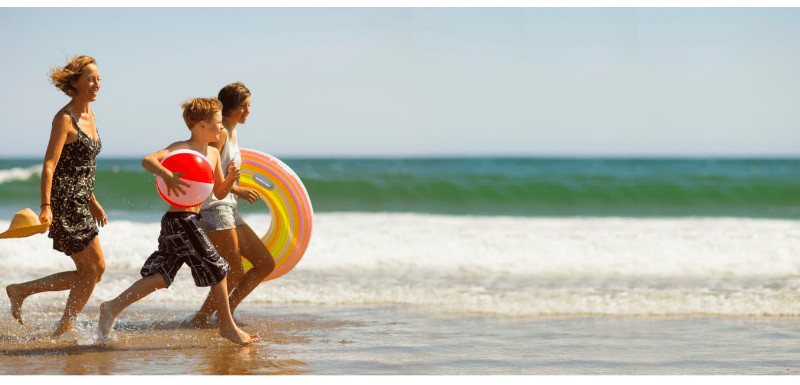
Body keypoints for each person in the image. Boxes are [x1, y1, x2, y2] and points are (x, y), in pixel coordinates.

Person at [97, 98, 258, 345]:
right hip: (180, 218)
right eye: (218, 122)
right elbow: (148, 161)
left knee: (162, 276)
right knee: (218, 267)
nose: (221, 128)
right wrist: (167, 175)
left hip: (187, 219)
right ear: (202, 125)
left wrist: (232, 180)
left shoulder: (214, 153)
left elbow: (218, 191)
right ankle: (227, 326)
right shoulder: (181, 147)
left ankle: (112, 306)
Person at [5, 55, 107, 336]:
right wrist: (46, 206)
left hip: (81, 201)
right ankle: (64, 325)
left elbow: (81, 167)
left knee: (92, 271)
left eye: (98, 78)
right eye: (91, 78)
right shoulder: (64, 118)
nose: (97, 83)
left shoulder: (91, 115)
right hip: (64, 202)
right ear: (75, 82)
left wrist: (93, 201)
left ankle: (22, 290)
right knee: (95, 268)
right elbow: (51, 164)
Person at [190, 83, 275, 326]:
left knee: (265, 263)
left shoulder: (233, 132)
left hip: (228, 207)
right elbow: (208, 168)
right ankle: (202, 317)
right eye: (244, 106)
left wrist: (234, 191)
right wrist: (235, 187)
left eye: (248, 106)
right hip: (214, 207)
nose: (248, 111)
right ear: (231, 108)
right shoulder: (222, 132)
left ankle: (224, 312)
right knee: (233, 270)